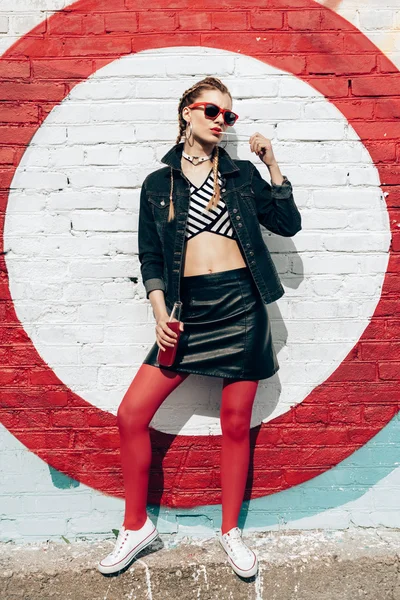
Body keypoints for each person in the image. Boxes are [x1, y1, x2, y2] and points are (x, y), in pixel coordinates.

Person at [97, 77, 302, 579]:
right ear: (187, 113)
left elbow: (288, 224)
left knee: (235, 424)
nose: (220, 121)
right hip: (187, 313)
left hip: (243, 308)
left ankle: (230, 531)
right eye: (212, 111)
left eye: (228, 116)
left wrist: (272, 164)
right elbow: (150, 255)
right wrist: (159, 310)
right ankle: (137, 525)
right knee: (131, 415)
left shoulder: (242, 175)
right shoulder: (157, 183)